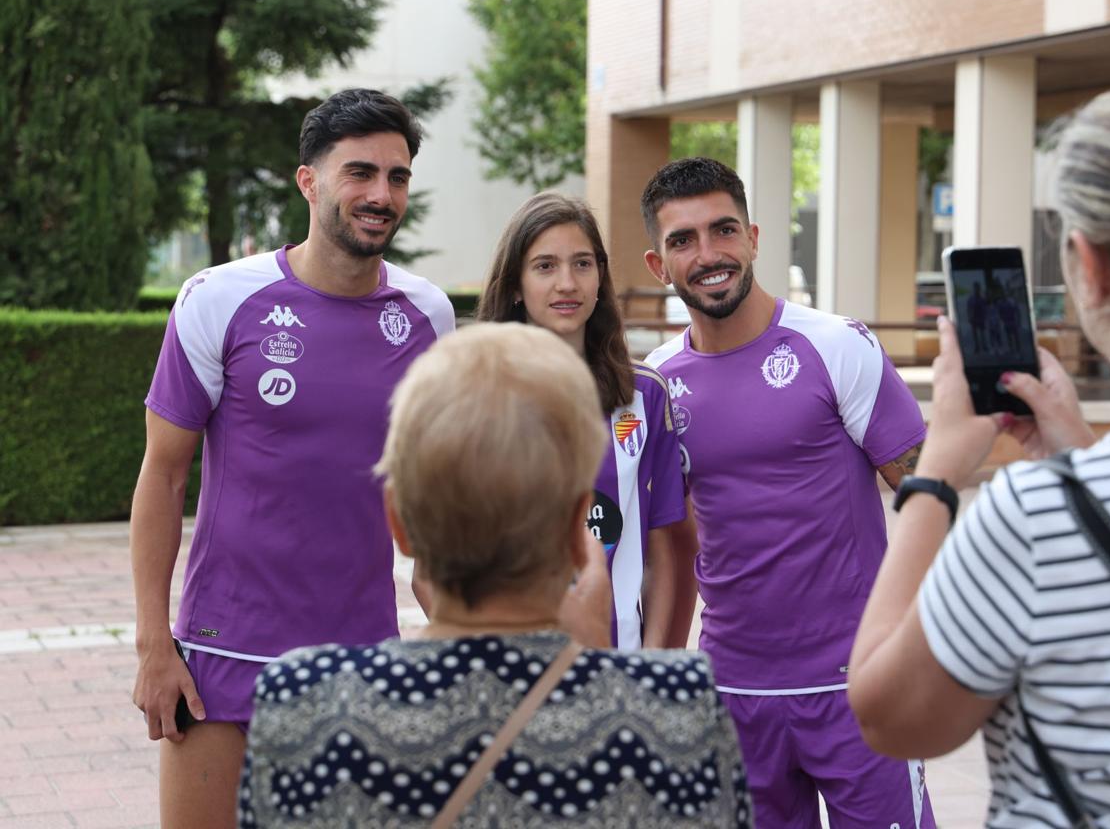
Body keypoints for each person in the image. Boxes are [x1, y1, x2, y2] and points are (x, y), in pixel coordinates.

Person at [849, 75, 1110, 826]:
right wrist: (1076, 457)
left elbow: (886, 712)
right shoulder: (1060, 502)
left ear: (1089, 266)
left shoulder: (1036, 521)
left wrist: (938, 473)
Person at [238, 322, 754, 828]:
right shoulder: (677, 711)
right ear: (580, 528)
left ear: (399, 523)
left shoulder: (303, 704)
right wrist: (608, 677)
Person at [130, 89, 455, 828]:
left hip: (362, 663)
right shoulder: (218, 298)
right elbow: (163, 473)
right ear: (308, 182)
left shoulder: (428, 316)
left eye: (397, 177)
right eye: (360, 173)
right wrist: (154, 646)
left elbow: (435, 498)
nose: (381, 195)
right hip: (222, 656)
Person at [640, 157, 933, 828]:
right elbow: (664, 544)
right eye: (683, 241)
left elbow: (924, 497)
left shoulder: (836, 346)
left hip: (860, 687)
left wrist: (917, 644)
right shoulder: (655, 384)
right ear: (659, 266)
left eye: (723, 230)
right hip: (733, 691)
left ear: (754, 238)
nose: (709, 254)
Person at [476, 192, 689, 650]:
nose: (567, 283)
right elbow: (438, 570)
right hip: (510, 676)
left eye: (582, 264)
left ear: (600, 278)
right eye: (545, 266)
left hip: (617, 671)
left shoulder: (645, 394)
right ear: (515, 285)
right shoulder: (475, 395)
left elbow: (661, 556)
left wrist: (645, 669)